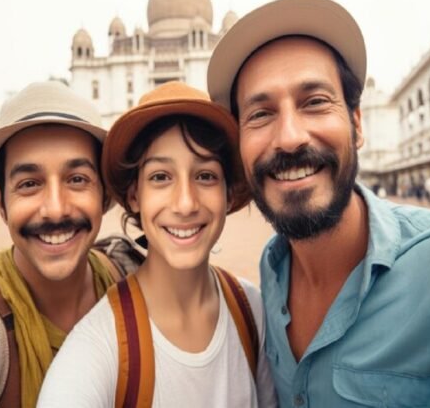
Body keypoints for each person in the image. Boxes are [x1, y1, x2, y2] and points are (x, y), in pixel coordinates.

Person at [208, 0, 430, 406]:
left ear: (356, 123)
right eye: (260, 114)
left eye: (315, 102)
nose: (290, 137)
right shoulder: (271, 274)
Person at [37, 81, 277, 407]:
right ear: (135, 196)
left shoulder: (252, 311)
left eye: (205, 175)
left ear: (228, 192)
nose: (185, 203)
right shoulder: (97, 351)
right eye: (160, 177)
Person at [0, 81, 141, 408]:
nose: (55, 209)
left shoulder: (129, 279)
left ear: (103, 194)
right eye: (29, 184)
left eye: (77, 179)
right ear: (0, 200)